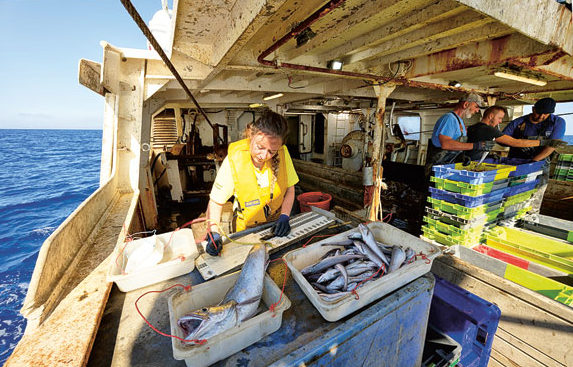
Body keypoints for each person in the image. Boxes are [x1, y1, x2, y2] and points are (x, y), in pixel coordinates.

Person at [204, 110, 299, 256]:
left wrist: (285, 216)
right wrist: (214, 233)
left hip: (275, 224)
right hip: (246, 227)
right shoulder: (234, 159)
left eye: (271, 151)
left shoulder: (282, 153)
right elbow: (216, 202)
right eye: (260, 147)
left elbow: (290, 189)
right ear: (251, 135)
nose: (264, 156)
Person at [501, 97, 567, 213]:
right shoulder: (519, 122)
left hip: (540, 164)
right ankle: (509, 215)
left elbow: (552, 146)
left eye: (545, 114)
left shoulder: (558, 122)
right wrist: (518, 144)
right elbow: (501, 139)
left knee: (536, 192)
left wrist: (532, 162)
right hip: (518, 163)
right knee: (514, 192)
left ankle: (531, 216)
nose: (541, 117)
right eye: (539, 113)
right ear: (533, 109)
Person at [425, 93, 492, 175]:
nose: (477, 110)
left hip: (447, 167)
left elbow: (454, 146)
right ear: (466, 104)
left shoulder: (460, 122)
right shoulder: (449, 118)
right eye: (476, 107)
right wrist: (476, 146)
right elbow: (446, 144)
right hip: (436, 169)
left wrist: (460, 157)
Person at [466, 106, 564, 161]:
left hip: (467, 160)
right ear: (491, 116)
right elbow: (516, 143)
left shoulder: (473, 127)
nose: (500, 121)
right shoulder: (489, 129)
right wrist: (544, 143)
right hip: (473, 162)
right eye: (500, 118)